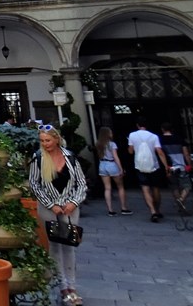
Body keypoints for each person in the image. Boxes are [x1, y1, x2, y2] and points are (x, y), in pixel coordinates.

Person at [28, 124, 88, 306]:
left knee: (69, 246)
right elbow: (34, 184)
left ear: (56, 139)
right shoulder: (38, 158)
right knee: (55, 246)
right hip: (49, 210)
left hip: (70, 208)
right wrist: (51, 204)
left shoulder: (70, 157)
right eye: (42, 141)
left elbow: (81, 183)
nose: (45, 144)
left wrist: (74, 202)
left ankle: (72, 287)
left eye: (48, 140)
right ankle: (62, 287)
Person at [128, 117, 169, 221]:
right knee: (156, 188)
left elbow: (130, 151)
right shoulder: (154, 136)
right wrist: (166, 166)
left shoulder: (132, 135)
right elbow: (159, 152)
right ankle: (158, 209)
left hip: (139, 165)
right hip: (154, 165)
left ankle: (152, 211)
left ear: (137, 125)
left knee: (145, 188)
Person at [95, 126, 131, 216]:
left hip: (102, 165)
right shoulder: (112, 144)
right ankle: (123, 208)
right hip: (112, 164)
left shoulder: (98, 143)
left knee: (107, 188)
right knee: (120, 187)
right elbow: (115, 157)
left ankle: (110, 210)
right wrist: (121, 168)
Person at [160, 122, 193, 215]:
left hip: (170, 166)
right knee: (187, 186)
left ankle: (181, 206)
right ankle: (182, 199)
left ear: (162, 129)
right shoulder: (179, 139)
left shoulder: (160, 140)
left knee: (174, 187)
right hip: (181, 165)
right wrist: (189, 164)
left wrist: (165, 166)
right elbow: (186, 153)